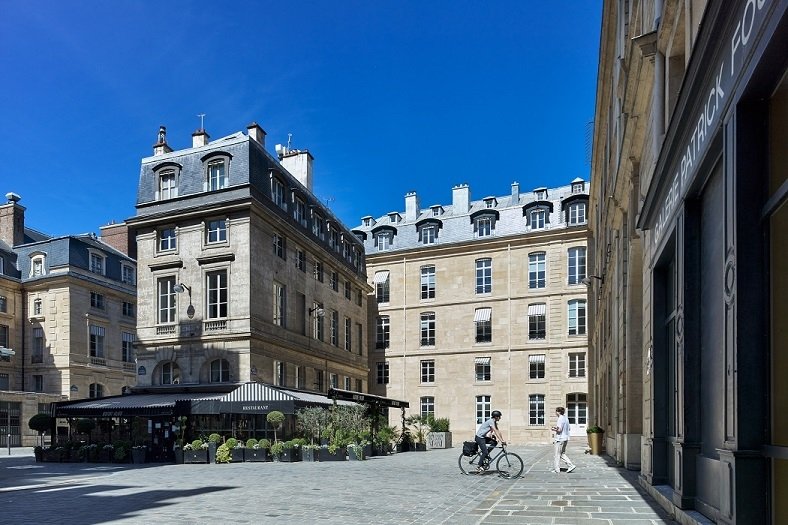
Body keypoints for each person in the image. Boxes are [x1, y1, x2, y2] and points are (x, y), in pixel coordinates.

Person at [552, 406, 576, 473]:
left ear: (558, 412)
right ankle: (569, 465)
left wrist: (554, 429)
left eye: (556, 411)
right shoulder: (566, 418)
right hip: (565, 438)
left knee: (557, 454)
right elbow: (569, 428)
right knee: (562, 453)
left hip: (560, 439)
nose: (555, 413)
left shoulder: (560, 419)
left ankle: (558, 469)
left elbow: (559, 429)